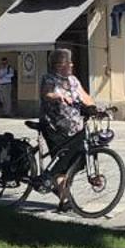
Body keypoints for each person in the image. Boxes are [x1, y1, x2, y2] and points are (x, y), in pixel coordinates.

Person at [37, 47, 96, 210]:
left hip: (74, 127)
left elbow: (85, 96)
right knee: (62, 162)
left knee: (75, 160)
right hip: (54, 126)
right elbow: (47, 93)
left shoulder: (73, 80)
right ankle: (64, 198)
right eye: (68, 62)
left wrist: (95, 108)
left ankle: (61, 189)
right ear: (59, 65)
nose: (71, 64)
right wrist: (58, 96)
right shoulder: (49, 79)